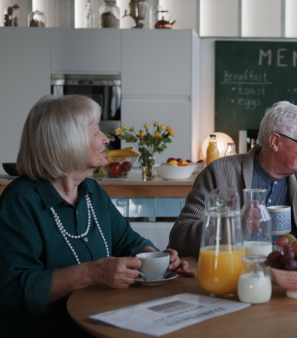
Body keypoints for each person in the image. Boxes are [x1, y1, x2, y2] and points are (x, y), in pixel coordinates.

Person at [0, 95, 196, 336]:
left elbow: (127, 241)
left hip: (101, 319)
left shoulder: (92, 191)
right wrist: (91, 273)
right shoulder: (21, 200)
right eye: (95, 131)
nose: (106, 138)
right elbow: (11, 288)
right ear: (65, 139)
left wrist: (155, 260)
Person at [169, 101, 297, 257]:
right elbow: (180, 234)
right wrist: (234, 227)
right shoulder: (220, 173)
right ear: (275, 141)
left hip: (291, 278)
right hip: (237, 274)